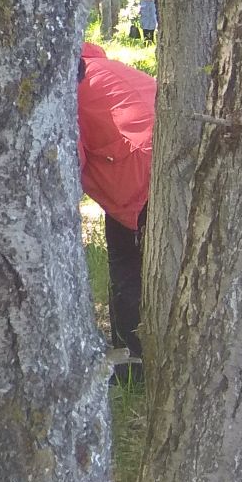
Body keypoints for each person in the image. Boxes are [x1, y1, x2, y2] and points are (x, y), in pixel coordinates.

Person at [78, 42, 155, 384]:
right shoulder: (98, 70)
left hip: (140, 178)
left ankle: (133, 366)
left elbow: (67, 162)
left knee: (127, 265)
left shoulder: (65, 85)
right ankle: (135, 357)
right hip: (165, 160)